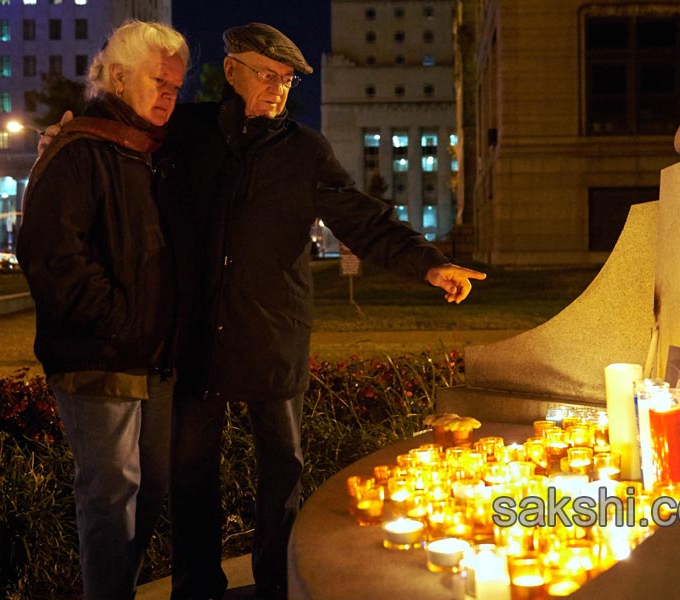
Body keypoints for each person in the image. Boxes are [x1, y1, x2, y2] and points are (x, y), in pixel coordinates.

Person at [160, 23, 487, 600]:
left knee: (281, 469)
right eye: (266, 75)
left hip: (272, 335)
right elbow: (121, 144)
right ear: (231, 70)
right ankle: (195, 587)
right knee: (189, 475)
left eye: (285, 80)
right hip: (196, 339)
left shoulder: (305, 152)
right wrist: (69, 133)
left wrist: (428, 264)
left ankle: (276, 583)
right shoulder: (185, 135)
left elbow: (364, 219)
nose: (277, 89)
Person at [16, 21, 189, 600]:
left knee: (152, 489)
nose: (169, 94)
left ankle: (116, 588)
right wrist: (122, 322)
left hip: (154, 358)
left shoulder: (154, 152)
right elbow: (54, 257)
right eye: (157, 81)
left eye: (175, 86)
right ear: (116, 76)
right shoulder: (79, 150)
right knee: (111, 494)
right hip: (99, 357)